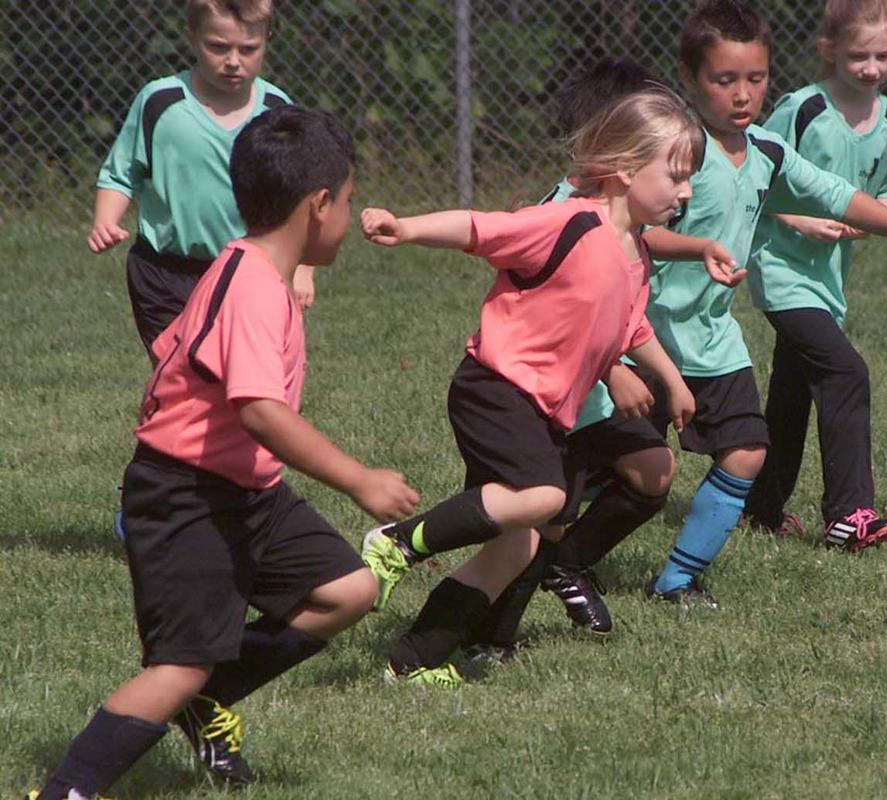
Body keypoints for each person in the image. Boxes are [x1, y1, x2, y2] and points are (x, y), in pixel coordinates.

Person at [29, 107, 419, 799]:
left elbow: (180, 363)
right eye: (348, 200)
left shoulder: (251, 269)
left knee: (349, 589)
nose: (348, 217)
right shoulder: (251, 288)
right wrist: (358, 479)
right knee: (177, 665)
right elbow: (260, 411)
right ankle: (67, 790)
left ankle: (206, 695)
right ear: (318, 204)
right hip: (186, 495)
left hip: (245, 490)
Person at [358, 88, 704, 686]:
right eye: (675, 176)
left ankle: (411, 661)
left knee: (516, 549)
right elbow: (480, 227)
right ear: (624, 170)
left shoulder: (637, 256)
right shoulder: (569, 221)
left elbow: (629, 326)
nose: (687, 191)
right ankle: (398, 543)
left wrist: (671, 380)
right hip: (495, 387)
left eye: (689, 178)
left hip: (546, 411)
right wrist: (406, 227)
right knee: (543, 497)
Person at [642, 0, 887, 606]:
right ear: (689, 78)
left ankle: (696, 566)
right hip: (646, 337)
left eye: (754, 79)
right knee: (628, 477)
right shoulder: (675, 151)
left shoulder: (766, 150)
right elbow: (629, 226)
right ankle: (560, 557)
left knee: (762, 432)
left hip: (714, 338)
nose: (742, 94)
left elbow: (836, 193)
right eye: (724, 79)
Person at [743, 0, 887, 551]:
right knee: (846, 373)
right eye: (858, 55)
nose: (870, 67)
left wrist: (876, 221)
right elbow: (752, 172)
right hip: (780, 270)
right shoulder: (802, 108)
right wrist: (797, 218)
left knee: (792, 395)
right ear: (829, 53)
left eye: (882, 55)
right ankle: (850, 514)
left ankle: (760, 511)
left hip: (827, 283)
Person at [90, 0, 315, 362]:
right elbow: (121, 173)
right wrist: (105, 220)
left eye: (248, 48)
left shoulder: (277, 112)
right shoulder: (160, 103)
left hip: (249, 272)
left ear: (267, 39)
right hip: (165, 271)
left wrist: (303, 269)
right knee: (182, 376)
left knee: (246, 371)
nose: (232, 60)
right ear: (192, 37)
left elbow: (303, 199)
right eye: (218, 46)